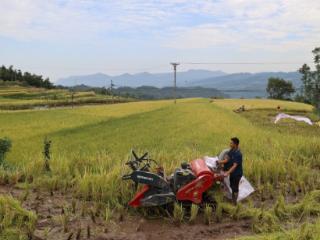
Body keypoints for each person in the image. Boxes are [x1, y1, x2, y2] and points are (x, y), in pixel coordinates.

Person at [218, 137, 243, 205]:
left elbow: (234, 166)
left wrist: (227, 173)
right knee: (232, 186)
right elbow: (227, 160)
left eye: (231, 143)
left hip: (237, 173)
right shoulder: (231, 150)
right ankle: (233, 199)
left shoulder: (238, 154)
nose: (230, 144)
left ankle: (235, 203)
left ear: (235, 144)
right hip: (232, 173)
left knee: (235, 188)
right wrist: (219, 162)